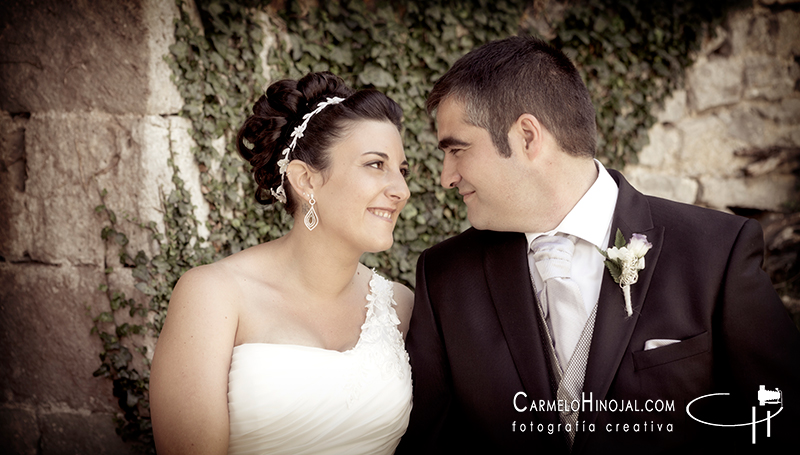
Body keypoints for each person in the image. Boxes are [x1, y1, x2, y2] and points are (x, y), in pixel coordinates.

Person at [397, 36, 800, 455]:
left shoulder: (716, 252)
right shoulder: (445, 277)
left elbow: (779, 420)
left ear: (528, 137)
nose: (446, 177)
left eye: (457, 149)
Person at [150, 71, 414, 455]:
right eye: (376, 164)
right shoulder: (214, 296)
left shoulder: (401, 306)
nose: (401, 190)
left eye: (402, 171)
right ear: (305, 180)